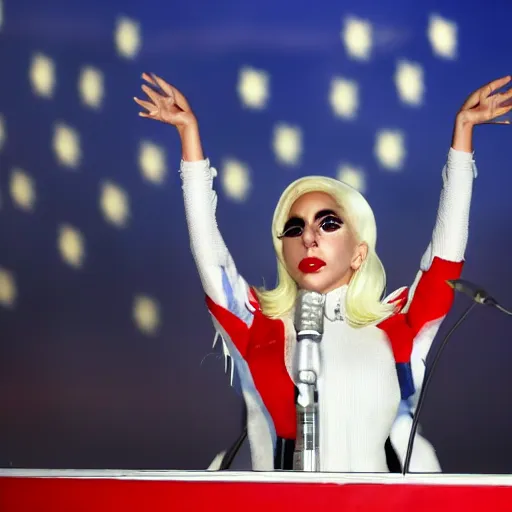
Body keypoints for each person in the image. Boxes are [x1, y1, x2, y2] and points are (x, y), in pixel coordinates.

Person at [134, 74, 512, 472]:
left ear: (358, 252)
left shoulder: (397, 326)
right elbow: (212, 259)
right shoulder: (259, 326)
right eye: (294, 228)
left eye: (328, 223)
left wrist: (462, 140)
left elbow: (445, 257)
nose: (309, 238)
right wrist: (189, 140)